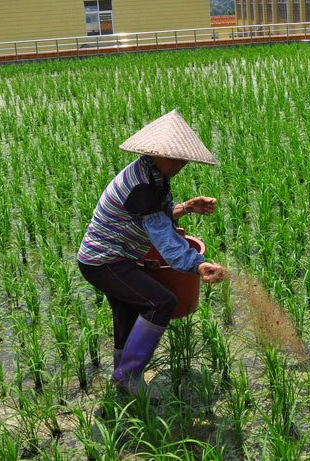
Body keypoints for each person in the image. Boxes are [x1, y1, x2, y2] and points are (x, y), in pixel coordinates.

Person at [77, 109, 226, 398]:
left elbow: (156, 216)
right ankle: (129, 374)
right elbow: (162, 236)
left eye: (183, 158)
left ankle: (121, 375)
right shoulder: (143, 185)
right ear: (154, 152)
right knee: (161, 302)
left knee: (127, 308)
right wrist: (196, 265)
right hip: (104, 260)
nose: (179, 164)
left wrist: (186, 207)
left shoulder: (153, 174)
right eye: (173, 157)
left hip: (112, 258)